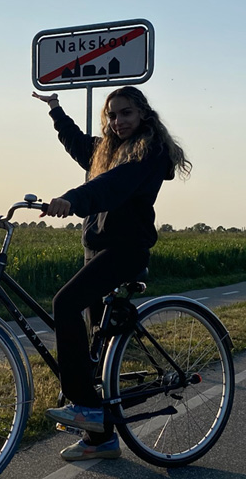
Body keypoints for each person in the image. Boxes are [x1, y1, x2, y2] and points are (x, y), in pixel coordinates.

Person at [32, 86, 192, 462]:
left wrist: (73, 199)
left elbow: (111, 187)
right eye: (113, 116)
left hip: (125, 250)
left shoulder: (147, 154)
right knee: (92, 349)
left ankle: (84, 407)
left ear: (143, 115)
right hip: (97, 250)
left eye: (126, 114)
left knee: (64, 304)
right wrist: (56, 110)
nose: (118, 122)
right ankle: (101, 439)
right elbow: (78, 146)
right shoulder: (109, 150)